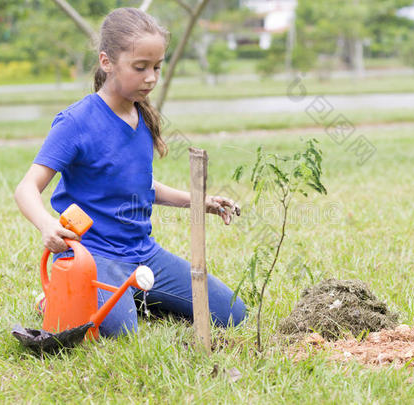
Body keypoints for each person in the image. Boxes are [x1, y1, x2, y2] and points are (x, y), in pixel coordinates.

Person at [14, 7, 246, 337]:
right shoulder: (76, 122)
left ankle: (133, 294)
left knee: (232, 313)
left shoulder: (141, 118)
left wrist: (199, 201)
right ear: (107, 62)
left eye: (157, 67)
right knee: (122, 334)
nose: (151, 77)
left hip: (143, 252)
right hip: (93, 256)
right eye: (140, 67)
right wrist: (46, 225)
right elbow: (26, 188)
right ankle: (55, 298)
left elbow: (142, 186)